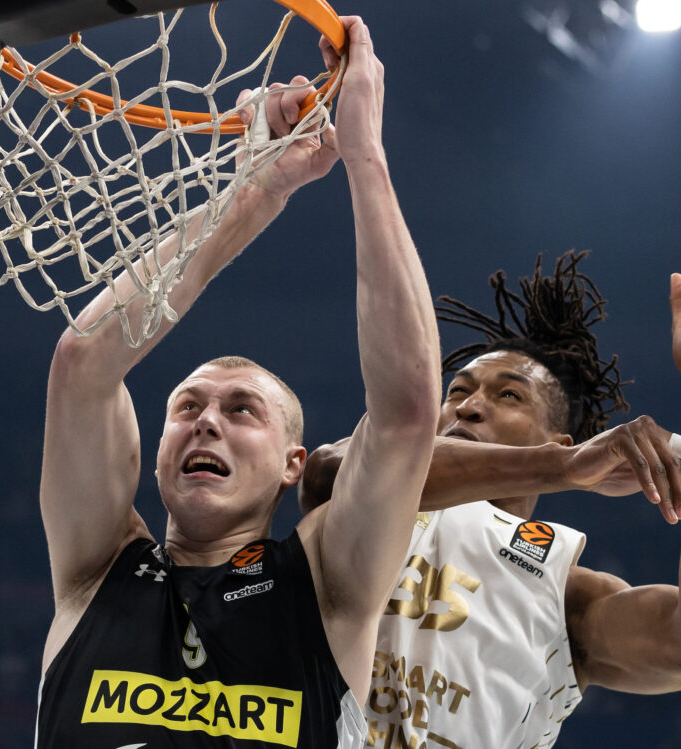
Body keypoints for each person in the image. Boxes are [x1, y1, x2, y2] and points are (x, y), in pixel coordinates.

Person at [33, 17, 443, 748]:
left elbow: (408, 415)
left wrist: (365, 156)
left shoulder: (326, 586)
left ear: (294, 463)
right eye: (186, 406)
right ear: (155, 454)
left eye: (242, 409)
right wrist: (258, 190)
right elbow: (83, 363)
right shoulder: (97, 567)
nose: (206, 420)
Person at [300, 223, 681, 748]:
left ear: (559, 441)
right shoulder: (355, 504)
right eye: (457, 391)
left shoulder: (563, 591)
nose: (469, 406)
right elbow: (328, 469)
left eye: (509, 396)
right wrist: (561, 468)